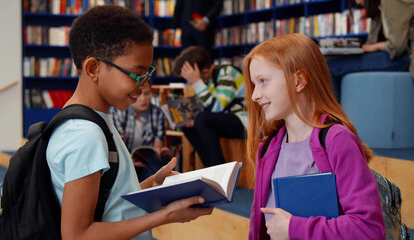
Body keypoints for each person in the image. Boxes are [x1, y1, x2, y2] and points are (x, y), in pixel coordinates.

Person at [46, 5, 213, 240]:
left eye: (148, 74)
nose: (144, 85)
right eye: (137, 74)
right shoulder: (84, 134)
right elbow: (77, 235)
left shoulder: (96, 120)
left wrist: (155, 182)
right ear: (94, 68)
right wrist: (166, 215)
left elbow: (111, 203)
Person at [242, 33, 385, 240]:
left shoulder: (337, 141)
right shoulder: (267, 149)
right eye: (254, 84)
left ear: (299, 80)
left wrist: (294, 228)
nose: (254, 95)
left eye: (263, 81)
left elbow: (368, 230)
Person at [172, 46, 247, 167]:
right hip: (225, 120)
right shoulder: (208, 80)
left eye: (192, 79)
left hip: (244, 121)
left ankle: (219, 169)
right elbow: (205, 108)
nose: (192, 83)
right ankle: (210, 168)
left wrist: (197, 82)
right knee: (186, 124)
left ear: (205, 72)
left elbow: (216, 108)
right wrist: (190, 117)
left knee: (202, 119)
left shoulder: (227, 72)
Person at [327, 0, 413, 101]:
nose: (357, 2)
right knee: (330, 63)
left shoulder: (390, 2)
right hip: (391, 55)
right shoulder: (377, 6)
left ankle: (333, 116)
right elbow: (370, 42)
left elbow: (397, 47)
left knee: (330, 68)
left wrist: (371, 47)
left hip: (404, 57)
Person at [110, 81, 172, 181]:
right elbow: (118, 145)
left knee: (157, 172)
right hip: (124, 158)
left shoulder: (158, 113)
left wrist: (160, 152)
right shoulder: (118, 111)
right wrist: (128, 160)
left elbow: (157, 146)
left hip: (147, 160)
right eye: (139, 94)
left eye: (147, 93)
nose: (143, 99)